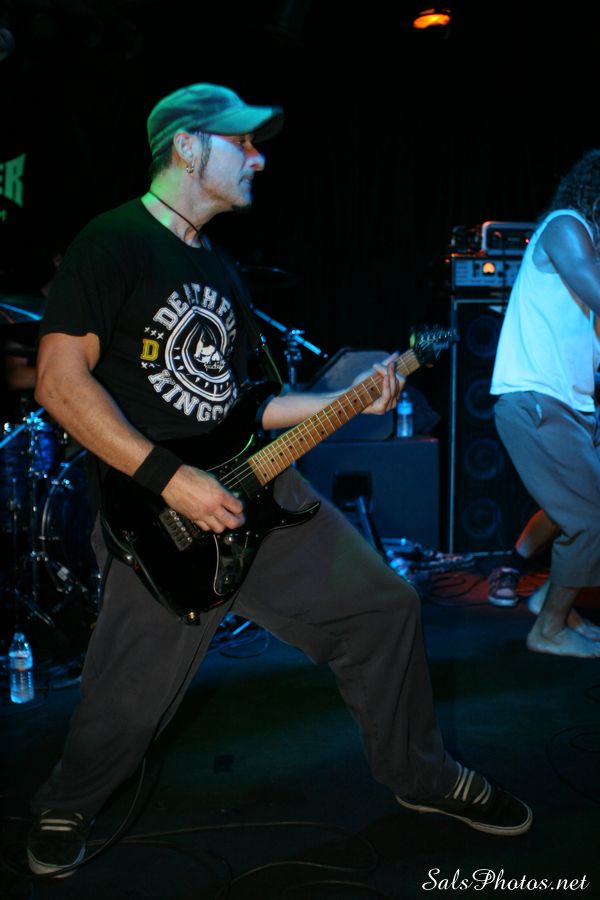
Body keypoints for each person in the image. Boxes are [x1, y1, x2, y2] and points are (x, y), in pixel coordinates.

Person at [27, 83, 531, 878]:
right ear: (188, 145)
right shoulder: (112, 241)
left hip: (260, 494)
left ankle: (423, 776)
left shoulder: (223, 271)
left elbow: (250, 405)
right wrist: (171, 479)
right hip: (160, 513)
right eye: (242, 142)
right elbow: (59, 383)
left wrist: (348, 398)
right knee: (126, 694)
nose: (258, 159)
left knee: (385, 607)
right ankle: (67, 802)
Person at [491, 148, 600, 659]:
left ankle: (553, 606)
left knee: (577, 507)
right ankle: (549, 628)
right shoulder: (565, 225)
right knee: (590, 518)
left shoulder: (587, 244)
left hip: (572, 405)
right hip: (536, 398)